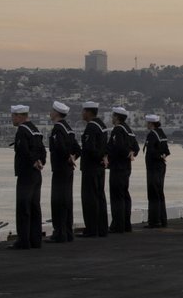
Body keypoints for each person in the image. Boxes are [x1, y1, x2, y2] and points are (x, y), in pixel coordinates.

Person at [9, 105, 45, 250]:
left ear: (19, 116)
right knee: (35, 206)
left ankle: (23, 240)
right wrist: (40, 161)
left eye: (13, 116)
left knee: (23, 207)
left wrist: (32, 161)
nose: (12, 118)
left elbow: (23, 150)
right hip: (37, 173)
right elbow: (42, 150)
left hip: (26, 174)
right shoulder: (35, 130)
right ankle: (35, 239)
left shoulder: (22, 131)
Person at [47, 101, 79, 243]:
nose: (50, 113)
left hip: (60, 169)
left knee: (58, 201)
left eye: (52, 111)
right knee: (67, 200)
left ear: (56, 113)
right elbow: (78, 149)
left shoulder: (58, 129)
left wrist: (67, 156)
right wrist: (73, 157)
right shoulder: (69, 129)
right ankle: (67, 231)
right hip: (68, 170)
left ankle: (59, 233)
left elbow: (59, 147)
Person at [107, 107, 139, 233]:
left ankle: (117, 225)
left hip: (117, 167)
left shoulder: (118, 130)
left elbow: (118, 147)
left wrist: (125, 153)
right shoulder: (129, 130)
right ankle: (126, 224)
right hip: (126, 168)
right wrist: (130, 153)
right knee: (125, 195)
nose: (112, 118)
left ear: (117, 117)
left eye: (113, 116)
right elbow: (136, 148)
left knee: (117, 197)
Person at [79, 102, 109, 238]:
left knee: (90, 198)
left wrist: (98, 157)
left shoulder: (91, 127)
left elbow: (90, 148)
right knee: (100, 197)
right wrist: (103, 157)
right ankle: (102, 227)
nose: (82, 113)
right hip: (100, 167)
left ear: (88, 112)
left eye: (83, 111)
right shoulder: (102, 126)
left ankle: (91, 228)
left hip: (91, 167)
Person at [143, 114, 169, 228]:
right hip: (161, 166)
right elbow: (167, 150)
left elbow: (152, 152)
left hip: (153, 167)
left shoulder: (152, 135)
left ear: (151, 124)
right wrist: (162, 156)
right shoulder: (161, 133)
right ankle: (163, 219)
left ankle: (154, 221)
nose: (147, 125)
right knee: (160, 193)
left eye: (147, 123)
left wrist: (158, 156)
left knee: (153, 193)